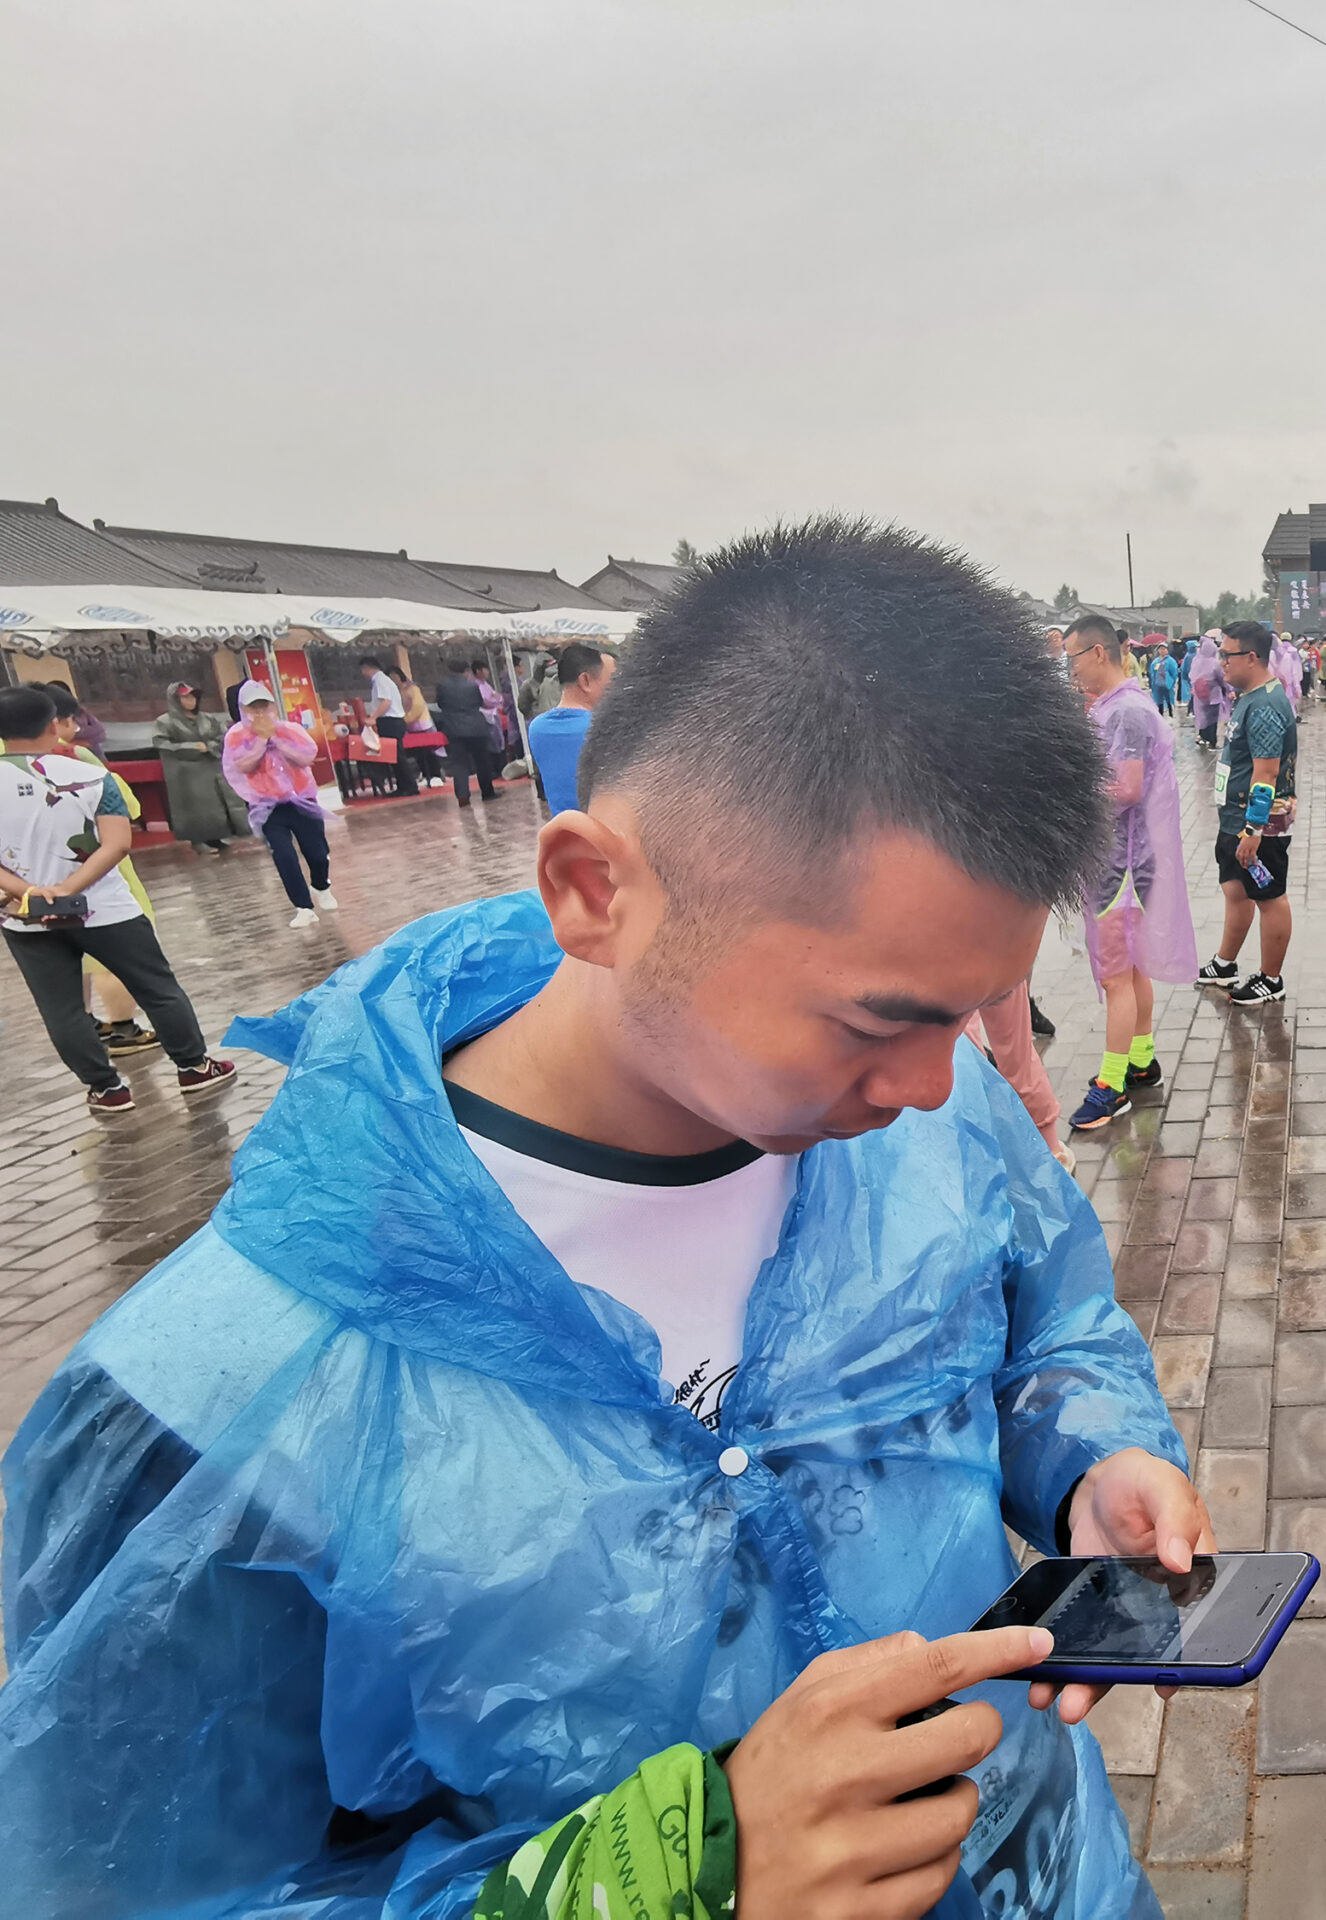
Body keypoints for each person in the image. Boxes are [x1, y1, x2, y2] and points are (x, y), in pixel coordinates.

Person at [0, 519, 1202, 1916]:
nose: (938, 1082)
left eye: (972, 1011)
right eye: (881, 1019)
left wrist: (1086, 1456)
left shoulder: (926, 1124)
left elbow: (1048, 1317)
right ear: (591, 889)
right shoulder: (216, 1405)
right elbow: (130, 1885)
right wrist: (665, 1880)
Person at [0, 684, 235, 1114]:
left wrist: (35, 894)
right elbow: (117, 843)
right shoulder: (90, 773)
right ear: (54, 724)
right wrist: (69, 889)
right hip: (105, 909)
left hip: (25, 918)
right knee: (157, 988)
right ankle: (193, 1068)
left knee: (62, 1007)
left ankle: (107, 1089)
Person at [1062, 612, 1196, 1131]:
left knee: (1116, 977)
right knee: (1133, 970)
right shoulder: (1121, 706)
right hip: (1130, 862)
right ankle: (1141, 1060)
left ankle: (1110, 1085)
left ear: (1098, 653)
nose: (1068, 669)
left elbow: (1126, 788)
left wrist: (1069, 794)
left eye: (1072, 657)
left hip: (1120, 864)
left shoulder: (1124, 714)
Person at [1195, 619, 1297, 1005]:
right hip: (1235, 818)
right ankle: (1226, 962)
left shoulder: (1267, 705)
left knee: (1269, 896)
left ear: (1251, 657)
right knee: (1236, 890)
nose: (1221, 662)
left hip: (1259, 825)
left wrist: (1254, 829)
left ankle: (1271, 979)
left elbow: (1267, 771)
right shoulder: (1250, 697)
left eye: (1227, 654)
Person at [222, 681, 337, 928]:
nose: (260, 714)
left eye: (264, 707)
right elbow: (241, 765)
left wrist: (276, 740)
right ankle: (303, 906)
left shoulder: (290, 729)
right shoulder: (236, 736)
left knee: (317, 852)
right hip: (268, 807)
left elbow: (307, 756)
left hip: (301, 800)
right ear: (244, 710)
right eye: (254, 709)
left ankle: (321, 886)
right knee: (284, 856)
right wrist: (260, 743)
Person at [151, 680, 248, 852]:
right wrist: (190, 747)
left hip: (211, 766)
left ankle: (217, 837)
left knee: (215, 805)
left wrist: (209, 746)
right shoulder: (165, 722)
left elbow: (223, 737)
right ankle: (197, 841)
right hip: (186, 772)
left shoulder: (208, 718)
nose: (191, 701)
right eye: (185, 698)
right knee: (194, 808)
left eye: (193, 697)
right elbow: (161, 743)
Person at [524, 641, 619, 814]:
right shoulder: (605, 729)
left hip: (565, 834)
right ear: (585, 681)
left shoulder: (537, 729)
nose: (616, 688)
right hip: (606, 835)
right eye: (612, 679)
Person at [435, 658, 504, 804]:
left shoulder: (442, 685)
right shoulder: (472, 686)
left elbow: (440, 704)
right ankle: (487, 792)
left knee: (459, 763)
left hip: (454, 728)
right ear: (466, 671)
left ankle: (462, 795)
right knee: (482, 761)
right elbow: (479, 702)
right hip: (476, 727)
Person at [356, 653, 418, 796]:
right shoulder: (382, 680)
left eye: (363, 669)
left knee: (398, 755)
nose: (362, 673)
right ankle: (404, 786)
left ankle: (410, 787)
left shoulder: (380, 681)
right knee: (395, 755)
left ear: (367, 668)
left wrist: (373, 717)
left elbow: (386, 701)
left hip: (391, 721)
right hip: (392, 721)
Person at [1190, 624, 1229, 745]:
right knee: (1212, 718)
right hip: (1213, 695)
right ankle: (1212, 741)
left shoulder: (1195, 660)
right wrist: (1228, 689)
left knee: (1202, 716)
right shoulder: (1214, 662)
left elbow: (1191, 676)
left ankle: (1203, 737)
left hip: (1200, 695)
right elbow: (1221, 677)